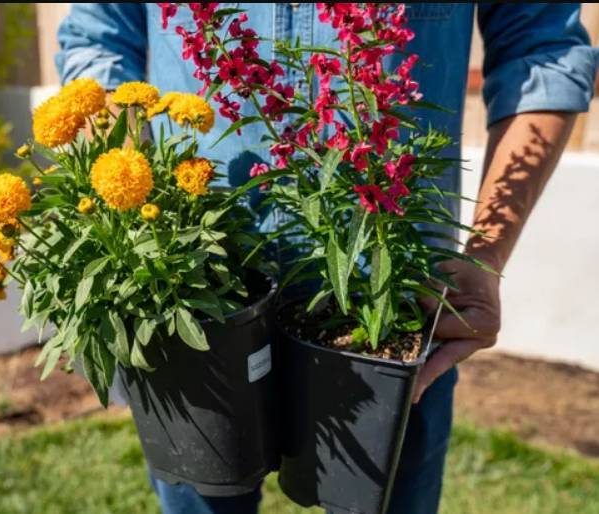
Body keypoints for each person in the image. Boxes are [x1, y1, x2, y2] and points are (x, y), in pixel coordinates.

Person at [55, 4, 597, 514]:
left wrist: (486, 251)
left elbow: (543, 51)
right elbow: (96, 42)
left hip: (392, 303)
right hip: (201, 289)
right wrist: (126, 206)